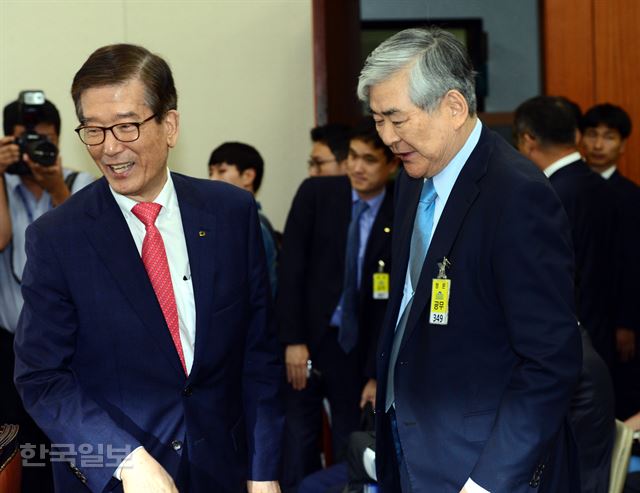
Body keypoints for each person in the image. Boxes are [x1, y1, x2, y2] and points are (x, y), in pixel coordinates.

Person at [13, 43, 283, 493]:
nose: (110, 148)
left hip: (226, 470)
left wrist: (264, 469)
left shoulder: (231, 213)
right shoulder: (58, 236)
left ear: (170, 125)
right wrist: (125, 460)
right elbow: (41, 377)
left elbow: (259, 354)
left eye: (126, 126)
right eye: (94, 130)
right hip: (118, 478)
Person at [358, 27, 582, 492]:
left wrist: (487, 481)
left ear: (454, 107)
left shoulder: (516, 196)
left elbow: (549, 363)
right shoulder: (412, 178)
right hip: (412, 443)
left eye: (396, 119)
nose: (386, 137)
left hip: (484, 463)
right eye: (377, 119)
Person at [277, 118, 398, 492]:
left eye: (369, 160)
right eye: (352, 158)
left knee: (353, 441)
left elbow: (394, 299)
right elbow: (291, 268)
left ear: (392, 165)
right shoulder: (317, 194)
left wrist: (379, 371)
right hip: (311, 341)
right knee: (298, 442)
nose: (357, 168)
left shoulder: (402, 206)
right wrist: (293, 340)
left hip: (359, 350)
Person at [0, 95, 93, 493]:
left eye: (45, 139)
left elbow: (86, 251)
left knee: (64, 453)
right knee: (14, 458)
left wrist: (57, 189)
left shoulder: (81, 184)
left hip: (69, 351)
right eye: (25, 141)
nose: (35, 150)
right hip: (6, 349)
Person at [513, 95, 617, 366]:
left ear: (528, 139)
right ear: (576, 133)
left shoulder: (545, 194)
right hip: (605, 329)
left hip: (565, 338)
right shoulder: (603, 184)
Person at [580, 103, 640, 418]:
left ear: (623, 144)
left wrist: (627, 322)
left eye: (609, 137)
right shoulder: (571, 188)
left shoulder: (631, 196)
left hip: (618, 317)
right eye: (592, 135)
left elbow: (633, 265)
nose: (599, 145)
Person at [208, 141, 279, 294]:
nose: (212, 179)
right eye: (210, 172)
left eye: (221, 171)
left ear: (248, 176)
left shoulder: (254, 227)